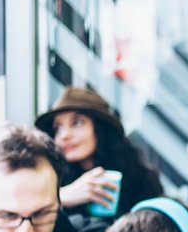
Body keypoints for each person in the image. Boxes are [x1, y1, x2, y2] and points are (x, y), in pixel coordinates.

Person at [36, 86, 163, 217]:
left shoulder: (141, 179)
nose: (64, 135)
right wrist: (61, 198)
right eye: (58, 128)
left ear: (100, 129)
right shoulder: (50, 180)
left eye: (77, 123)